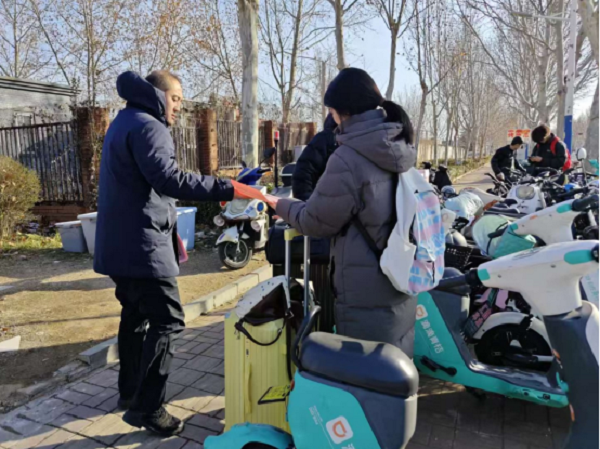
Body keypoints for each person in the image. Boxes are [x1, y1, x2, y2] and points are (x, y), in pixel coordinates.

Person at [94, 71, 236, 435]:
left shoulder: (124, 121)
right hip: (142, 247)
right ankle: (148, 408)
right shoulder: (149, 126)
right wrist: (227, 187)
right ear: (157, 94)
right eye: (175, 99)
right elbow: (170, 179)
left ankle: (130, 393)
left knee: (135, 316)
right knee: (168, 320)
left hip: (120, 245)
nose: (178, 107)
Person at [265, 68, 418, 357]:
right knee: (394, 363)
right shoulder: (399, 144)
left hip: (364, 286)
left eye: (332, 112)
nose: (332, 119)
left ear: (343, 112)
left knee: (364, 369)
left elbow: (314, 221)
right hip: (399, 274)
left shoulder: (348, 157)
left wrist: (280, 205)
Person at [292, 114, 338, 200]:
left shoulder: (362, 138)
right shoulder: (325, 139)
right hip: (326, 203)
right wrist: (308, 202)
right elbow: (303, 174)